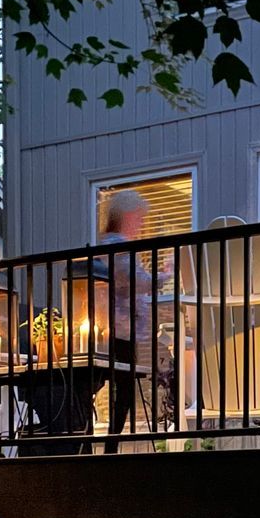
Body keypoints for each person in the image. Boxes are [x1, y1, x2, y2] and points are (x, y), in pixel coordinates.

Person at [95, 188, 177, 447]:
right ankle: (110, 447)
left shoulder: (110, 245)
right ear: (128, 216)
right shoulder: (118, 247)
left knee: (119, 388)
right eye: (139, 218)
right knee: (124, 390)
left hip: (114, 329)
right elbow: (135, 280)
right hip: (119, 330)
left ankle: (108, 444)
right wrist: (166, 274)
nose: (141, 224)